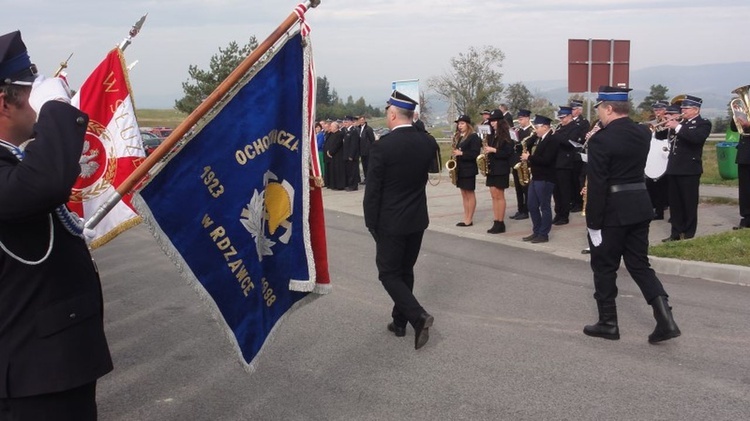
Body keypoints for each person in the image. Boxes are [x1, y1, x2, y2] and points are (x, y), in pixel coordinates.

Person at [0, 30, 113, 420]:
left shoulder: (14, 162)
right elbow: (43, 184)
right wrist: (58, 109)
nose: (39, 105)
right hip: (31, 380)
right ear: (5, 102)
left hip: (51, 369)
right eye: (32, 95)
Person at [583, 85, 680, 344]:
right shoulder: (640, 132)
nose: (600, 114)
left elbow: (598, 183)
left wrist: (593, 222)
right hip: (639, 204)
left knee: (604, 266)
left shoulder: (601, 139)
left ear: (609, 108)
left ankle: (608, 323)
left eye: (601, 109)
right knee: (639, 265)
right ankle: (666, 319)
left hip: (612, 211)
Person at [363, 90, 438, 350]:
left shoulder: (382, 146)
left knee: (388, 273)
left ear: (393, 114)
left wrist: (370, 222)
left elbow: (373, 191)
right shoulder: (427, 142)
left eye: (387, 112)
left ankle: (417, 316)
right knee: (405, 270)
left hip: (390, 221)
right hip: (416, 218)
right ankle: (399, 322)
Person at [660, 95, 712, 241]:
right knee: (675, 203)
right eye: (682, 108)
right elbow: (660, 137)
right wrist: (665, 123)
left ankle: (689, 233)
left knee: (688, 202)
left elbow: (696, 139)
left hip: (690, 168)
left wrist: (677, 126)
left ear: (696, 109)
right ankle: (675, 232)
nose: (682, 110)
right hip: (674, 167)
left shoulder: (703, 123)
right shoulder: (679, 123)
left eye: (686, 108)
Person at [520, 115, 559, 243]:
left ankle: (543, 234)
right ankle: (536, 231)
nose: (535, 130)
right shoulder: (539, 139)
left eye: (537, 127)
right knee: (531, 205)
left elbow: (547, 160)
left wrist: (529, 158)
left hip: (546, 178)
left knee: (544, 206)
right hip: (536, 177)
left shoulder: (552, 140)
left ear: (545, 127)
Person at [484, 110, 515, 233]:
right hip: (492, 167)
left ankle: (501, 222)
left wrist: (494, 150)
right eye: (491, 121)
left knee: (499, 195)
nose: (492, 123)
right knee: (493, 195)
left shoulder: (507, 134)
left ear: (500, 121)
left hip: (501, 168)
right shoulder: (491, 134)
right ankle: (496, 220)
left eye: (495, 121)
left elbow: (508, 153)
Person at [450, 114, 481, 226]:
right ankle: (466, 216)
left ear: (468, 125)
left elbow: (475, 153)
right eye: (458, 124)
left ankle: (469, 219)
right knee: (464, 194)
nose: (459, 126)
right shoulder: (460, 137)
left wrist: (461, 153)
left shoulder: (473, 137)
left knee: (469, 193)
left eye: (462, 123)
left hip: (469, 169)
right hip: (460, 169)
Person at [552, 106, 579, 226]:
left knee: (564, 191)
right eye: (560, 118)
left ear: (569, 116)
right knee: (556, 191)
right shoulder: (560, 127)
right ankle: (558, 213)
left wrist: (555, 135)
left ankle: (564, 215)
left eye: (563, 118)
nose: (561, 120)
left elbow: (569, 143)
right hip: (556, 162)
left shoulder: (575, 128)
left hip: (566, 163)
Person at [645, 100, 671, 220]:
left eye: (660, 110)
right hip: (654, 157)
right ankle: (656, 210)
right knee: (652, 185)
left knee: (666, 186)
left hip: (665, 156)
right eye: (656, 110)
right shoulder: (653, 123)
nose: (658, 112)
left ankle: (665, 209)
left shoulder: (670, 122)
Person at [509, 109, 535, 220]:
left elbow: (528, 143)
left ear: (528, 118)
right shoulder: (517, 130)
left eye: (522, 119)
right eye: (519, 119)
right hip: (516, 162)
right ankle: (520, 209)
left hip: (525, 162)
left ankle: (527, 210)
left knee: (525, 187)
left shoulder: (531, 131)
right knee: (518, 187)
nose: (520, 121)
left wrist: (518, 143)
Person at [730, 113, 750, 230]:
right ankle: (746, 218)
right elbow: (734, 128)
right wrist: (736, 116)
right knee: (745, 189)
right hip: (745, 153)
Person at [358, 115, 375, 185]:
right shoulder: (359, 128)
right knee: (364, 165)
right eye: (360, 120)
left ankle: (370, 179)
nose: (361, 121)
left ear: (364, 120)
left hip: (368, 150)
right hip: (362, 151)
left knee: (368, 165)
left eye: (362, 120)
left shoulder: (368, 129)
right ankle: (366, 178)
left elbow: (372, 140)